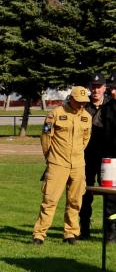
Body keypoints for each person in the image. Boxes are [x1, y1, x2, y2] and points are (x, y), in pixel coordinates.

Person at [31, 86, 92, 244]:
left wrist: (77, 154)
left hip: (78, 165)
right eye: (78, 101)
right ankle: (39, 234)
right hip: (57, 163)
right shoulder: (55, 114)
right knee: (50, 200)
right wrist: (50, 157)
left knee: (75, 201)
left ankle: (70, 233)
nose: (81, 104)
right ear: (71, 98)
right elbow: (46, 137)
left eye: (84, 102)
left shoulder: (87, 117)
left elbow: (86, 139)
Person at [79, 73, 111, 240]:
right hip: (86, 157)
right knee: (85, 194)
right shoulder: (82, 106)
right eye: (93, 87)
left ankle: (110, 231)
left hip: (107, 159)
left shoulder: (111, 105)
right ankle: (84, 229)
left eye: (99, 87)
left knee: (110, 196)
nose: (96, 90)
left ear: (105, 88)